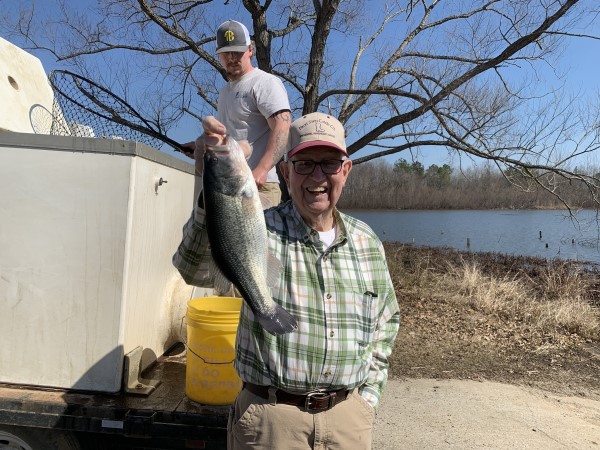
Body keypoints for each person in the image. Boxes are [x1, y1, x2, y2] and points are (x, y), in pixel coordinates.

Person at [173, 112, 400, 449]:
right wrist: (211, 188)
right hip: (270, 421)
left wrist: (367, 397)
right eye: (305, 163)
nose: (317, 176)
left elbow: (388, 318)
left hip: (348, 422)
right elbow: (193, 269)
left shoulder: (367, 241)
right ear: (286, 171)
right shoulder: (260, 225)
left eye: (329, 163)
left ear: (346, 170)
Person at [184, 19, 291, 207]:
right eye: (225, 53)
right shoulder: (225, 92)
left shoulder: (265, 82)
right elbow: (232, 138)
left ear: (251, 50)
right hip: (227, 184)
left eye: (237, 51)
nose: (232, 57)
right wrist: (200, 146)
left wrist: (263, 169)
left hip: (260, 186)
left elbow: (282, 127)